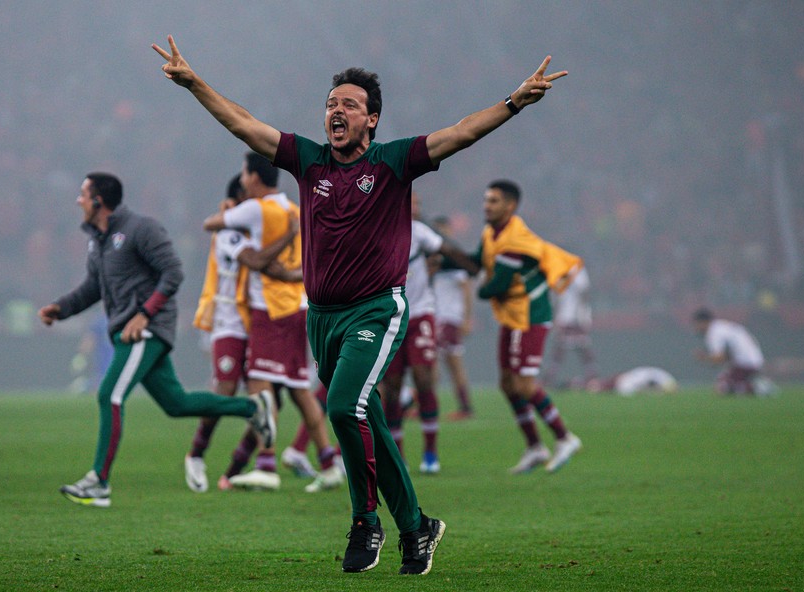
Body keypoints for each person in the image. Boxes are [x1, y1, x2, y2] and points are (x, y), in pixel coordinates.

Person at [154, 34, 565, 575]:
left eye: (349, 104)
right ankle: (417, 527)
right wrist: (195, 84)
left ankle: (365, 521)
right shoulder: (308, 161)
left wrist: (514, 102)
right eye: (331, 104)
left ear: (372, 120)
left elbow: (461, 133)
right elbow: (243, 123)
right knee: (363, 414)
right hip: (321, 318)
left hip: (377, 310)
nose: (336, 111)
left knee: (343, 407)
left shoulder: (395, 162)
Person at [38, 172, 276, 508]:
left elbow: (173, 271)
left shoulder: (140, 228)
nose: (78, 200)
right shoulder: (98, 240)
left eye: (83, 194)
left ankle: (99, 483)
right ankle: (251, 407)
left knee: (109, 394)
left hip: (146, 330)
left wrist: (145, 314)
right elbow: (93, 288)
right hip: (129, 330)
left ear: (98, 200)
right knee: (176, 404)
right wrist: (61, 309)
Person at [202, 153, 343, 495]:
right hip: (299, 304)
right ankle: (329, 462)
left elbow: (210, 225)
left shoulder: (257, 209)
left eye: (245, 173)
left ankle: (265, 464)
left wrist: (226, 213)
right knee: (297, 388)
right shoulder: (294, 209)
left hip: (270, 308)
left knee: (259, 384)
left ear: (252, 178)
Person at [185, 173, 303, 493]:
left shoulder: (257, 232)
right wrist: (289, 237)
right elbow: (260, 262)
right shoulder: (229, 234)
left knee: (268, 400)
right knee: (224, 389)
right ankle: (196, 454)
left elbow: (276, 269)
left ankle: (234, 471)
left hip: (256, 321)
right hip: (228, 323)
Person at [475, 180, 582, 474]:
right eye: (486, 199)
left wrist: (480, 289)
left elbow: (494, 286)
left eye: (494, 201)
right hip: (512, 317)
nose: (487, 205)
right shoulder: (490, 233)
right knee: (508, 384)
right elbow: (474, 262)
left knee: (524, 384)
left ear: (510, 206)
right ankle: (535, 446)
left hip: (530, 315)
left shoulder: (515, 239)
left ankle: (564, 437)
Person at [380, 194, 478, 474]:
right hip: (390, 315)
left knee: (424, 378)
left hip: (421, 313)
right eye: (412, 203)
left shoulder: (420, 232)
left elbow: (446, 250)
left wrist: (474, 266)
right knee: (393, 387)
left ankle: (431, 452)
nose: (417, 209)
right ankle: (398, 455)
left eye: (419, 205)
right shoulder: (377, 231)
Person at [430, 216, 475, 420]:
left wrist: (466, 318)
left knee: (435, 362)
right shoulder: (434, 259)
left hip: (448, 317)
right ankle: (464, 406)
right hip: (438, 316)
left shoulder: (455, 260)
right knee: (448, 363)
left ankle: (427, 405)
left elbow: (466, 288)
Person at [692, 308, 775, 396]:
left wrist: (704, 357)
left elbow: (720, 358)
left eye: (696, 324)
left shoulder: (714, 332)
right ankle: (753, 384)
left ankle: (759, 388)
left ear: (704, 322)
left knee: (722, 387)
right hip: (752, 360)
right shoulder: (721, 326)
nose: (696, 327)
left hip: (745, 363)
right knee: (723, 380)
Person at [544, 265, 598, 388]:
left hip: (577, 316)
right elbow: (557, 294)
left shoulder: (578, 270)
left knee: (583, 345)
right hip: (565, 315)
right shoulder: (560, 271)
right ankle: (550, 376)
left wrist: (582, 315)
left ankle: (592, 377)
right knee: (561, 346)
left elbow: (584, 292)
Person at [585, 366, 678, 396]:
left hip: (627, 382)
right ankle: (595, 385)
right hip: (629, 380)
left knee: (618, 384)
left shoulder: (624, 385)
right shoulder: (659, 376)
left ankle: (595, 386)